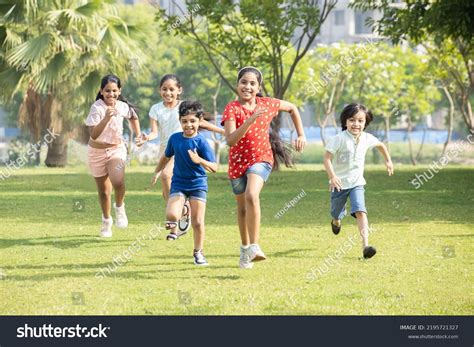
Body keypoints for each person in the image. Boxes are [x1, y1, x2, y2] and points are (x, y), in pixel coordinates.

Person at [221, 66, 306, 269]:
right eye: (244, 82)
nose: (247, 87)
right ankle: (245, 249)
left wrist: (301, 134)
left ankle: (255, 246)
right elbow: (231, 140)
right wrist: (250, 120)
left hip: (261, 159)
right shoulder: (232, 108)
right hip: (237, 163)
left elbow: (292, 108)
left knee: (252, 195)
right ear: (237, 84)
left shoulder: (267, 104)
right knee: (242, 208)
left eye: (252, 83)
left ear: (258, 86)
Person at [136, 74, 224, 237]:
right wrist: (146, 138)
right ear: (159, 90)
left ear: (179, 90)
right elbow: (155, 132)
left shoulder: (183, 107)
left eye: (171, 89)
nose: (168, 92)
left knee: (165, 176)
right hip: (166, 147)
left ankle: (181, 213)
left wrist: (223, 131)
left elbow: (201, 122)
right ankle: (179, 212)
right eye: (164, 89)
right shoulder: (155, 109)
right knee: (166, 188)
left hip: (181, 146)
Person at [323, 103, 394, 259]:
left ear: (365, 122)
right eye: (352, 120)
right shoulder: (338, 139)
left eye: (360, 121)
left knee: (361, 211)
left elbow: (380, 145)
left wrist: (388, 161)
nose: (356, 124)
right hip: (339, 184)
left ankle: (365, 246)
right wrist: (332, 177)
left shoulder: (367, 138)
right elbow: (327, 159)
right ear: (345, 122)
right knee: (336, 212)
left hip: (357, 183)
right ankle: (336, 221)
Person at [151, 101, 217, 266]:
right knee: (172, 216)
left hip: (198, 185)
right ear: (180, 121)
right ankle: (184, 211)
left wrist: (199, 160)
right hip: (179, 183)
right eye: (185, 121)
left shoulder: (202, 142)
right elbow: (165, 157)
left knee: (198, 222)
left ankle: (198, 252)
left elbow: (214, 167)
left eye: (193, 121)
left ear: (199, 121)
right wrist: (157, 171)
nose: (189, 125)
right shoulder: (175, 139)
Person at [85, 74, 142, 237]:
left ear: (119, 91)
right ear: (101, 91)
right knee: (103, 192)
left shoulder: (122, 106)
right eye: (108, 91)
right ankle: (106, 220)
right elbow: (94, 135)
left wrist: (138, 134)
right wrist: (106, 118)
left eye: (114, 91)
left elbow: (133, 116)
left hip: (116, 149)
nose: (111, 94)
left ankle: (120, 207)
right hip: (96, 152)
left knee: (118, 179)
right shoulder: (97, 108)